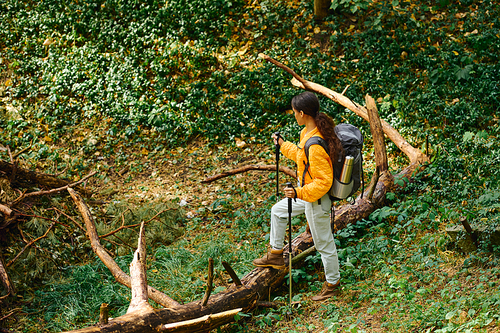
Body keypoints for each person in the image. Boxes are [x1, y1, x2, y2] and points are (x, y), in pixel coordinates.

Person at [252, 91, 344, 301]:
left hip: (317, 199)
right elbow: (300, 156)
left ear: (302, 113)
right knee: (278, 210)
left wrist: (298, 192)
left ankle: (333, 284)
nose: (294, 115)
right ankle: (276, 255)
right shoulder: (307, 134)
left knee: (324, 244)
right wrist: (283, 145)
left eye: (295, 112)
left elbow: (323, 182)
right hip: (307, 195)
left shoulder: (315, 143)